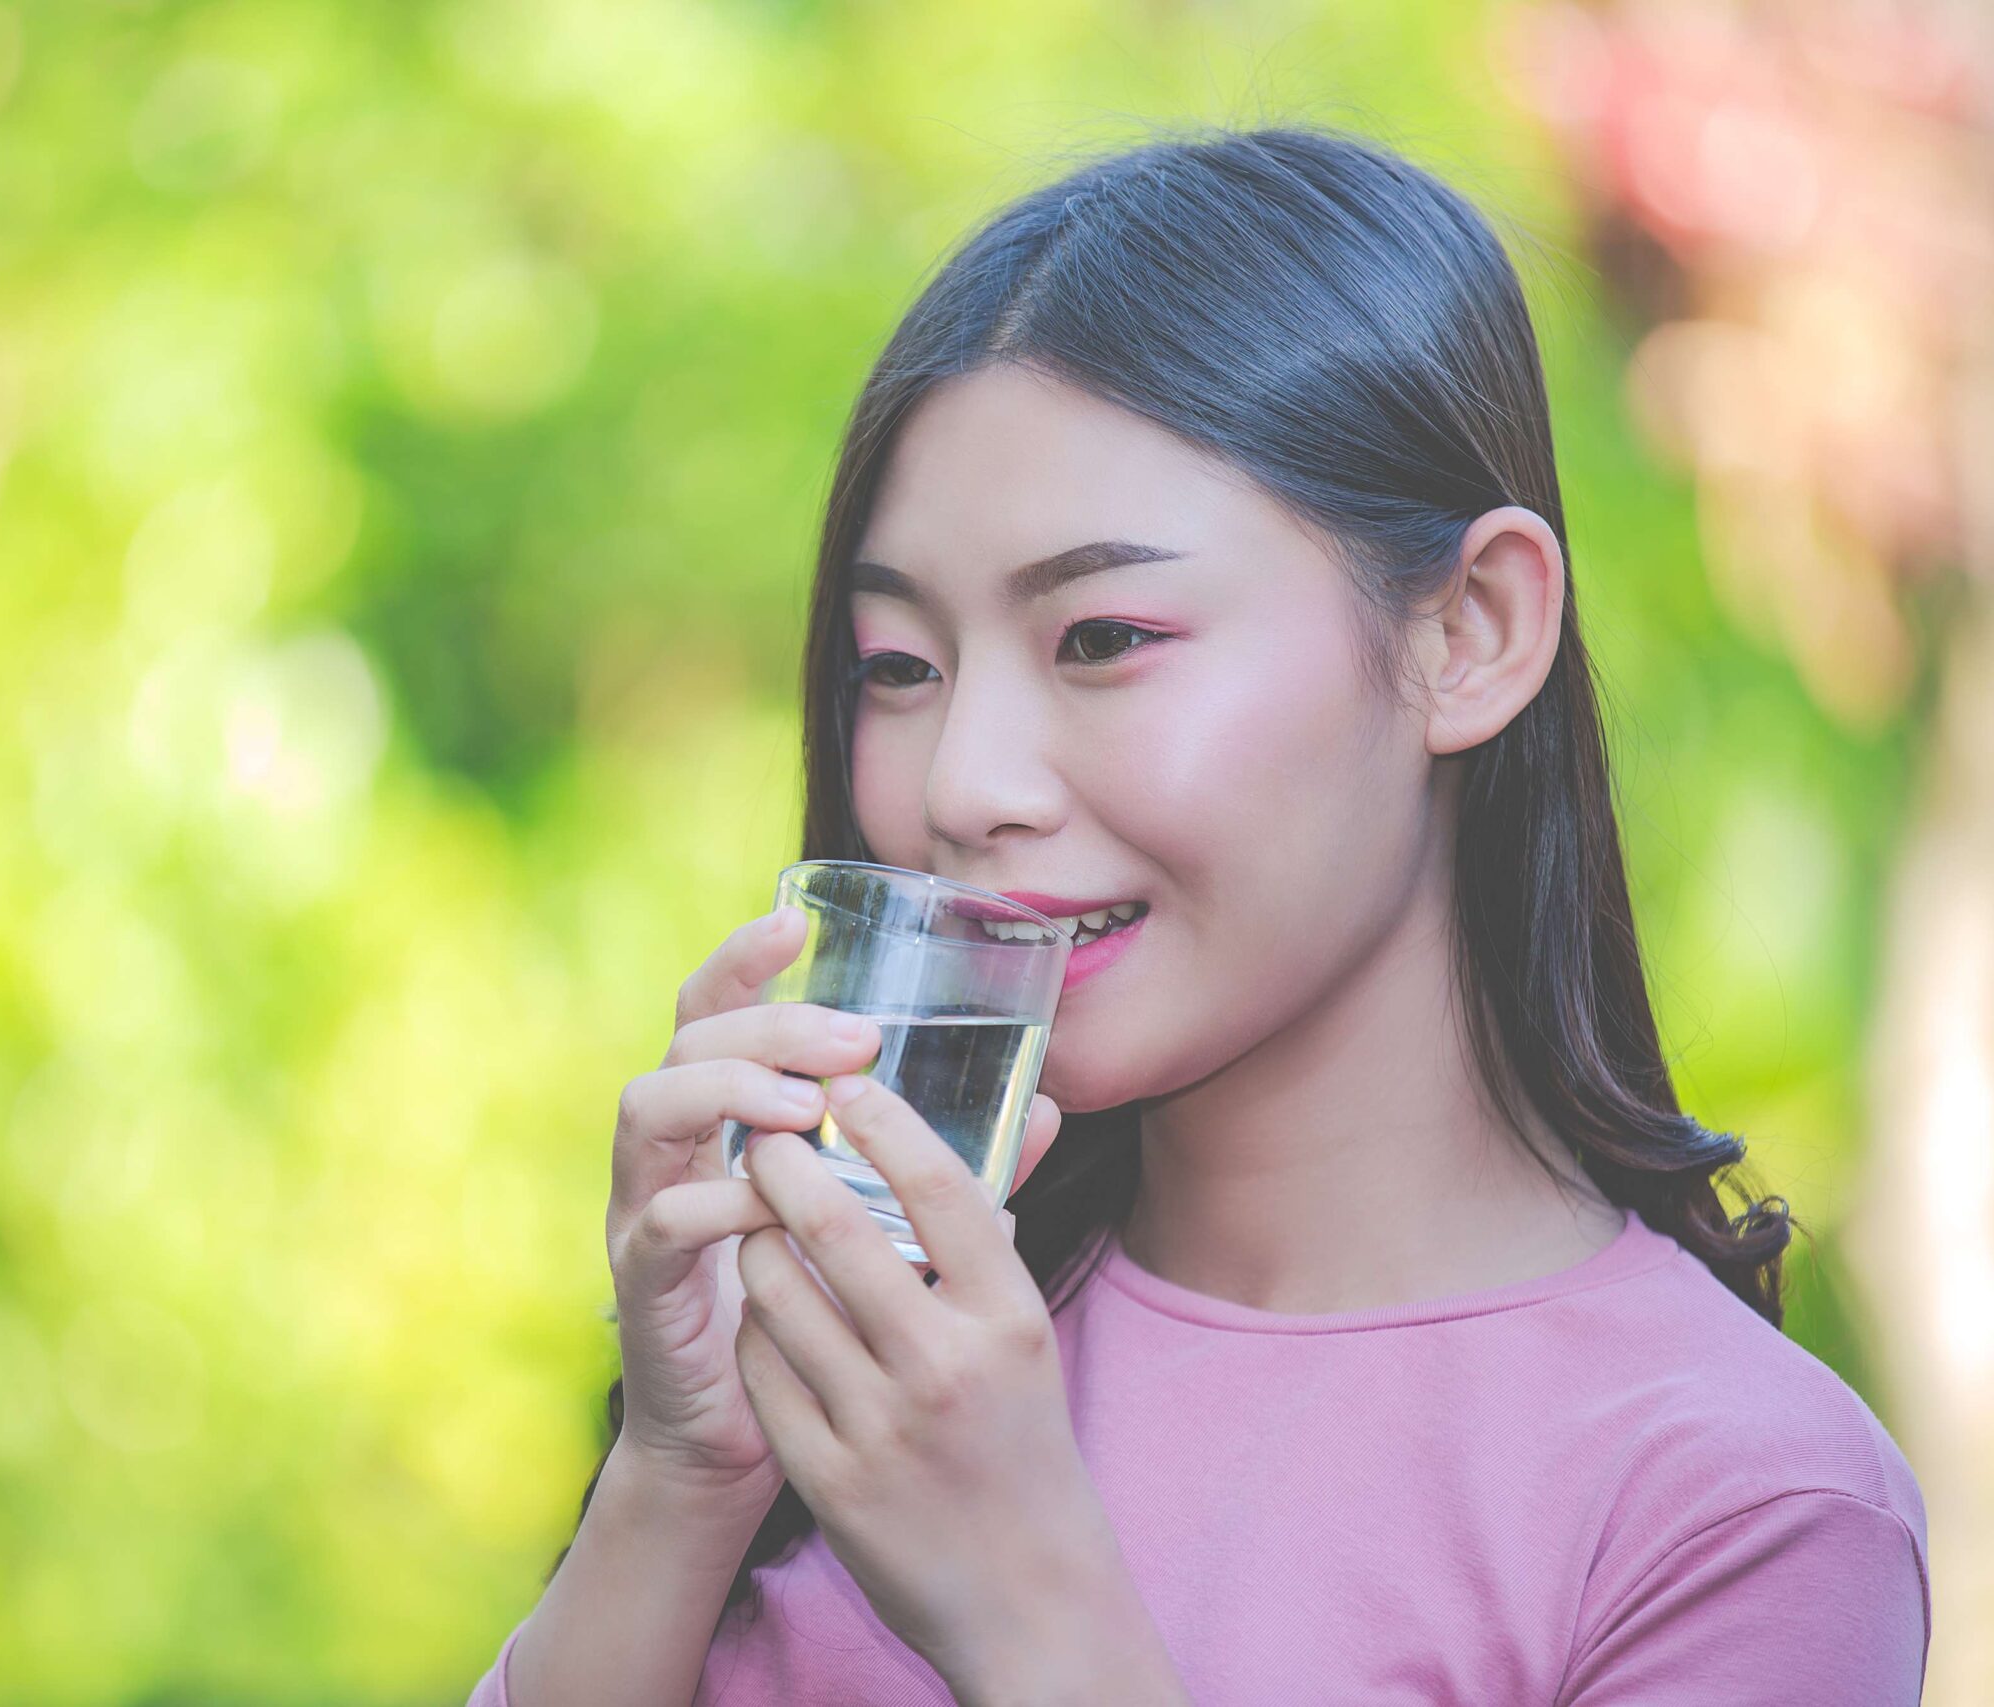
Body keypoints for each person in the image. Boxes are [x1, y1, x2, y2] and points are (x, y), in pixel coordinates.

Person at [466, 124, 1930, 1705]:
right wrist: (684, 1479)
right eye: (898, 665)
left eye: (1100, 636)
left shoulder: (1737, 1508)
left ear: (1472, 633)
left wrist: (1032, 1612)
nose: (964, 783)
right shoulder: (851, 1351)